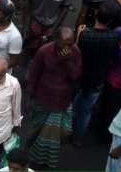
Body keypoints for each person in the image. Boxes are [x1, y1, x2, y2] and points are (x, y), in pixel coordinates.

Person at [25, 28, 82, 168]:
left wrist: (67, 61)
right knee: (35, 131)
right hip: (43, 99)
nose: (67, 47)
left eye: (70, 44)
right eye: (64, 44)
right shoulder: (44, 51)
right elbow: (33, 76)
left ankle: (46, 161)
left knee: (60, 133)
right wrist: (28, 98)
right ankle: (28, 158)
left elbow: (75, 76)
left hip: (62, 101)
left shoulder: (75, 52)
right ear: (57, 41)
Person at [72, 2, 119, 146]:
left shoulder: (85, 33)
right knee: (87, 109)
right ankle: (78, 137)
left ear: (96, 14)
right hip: (98, 77)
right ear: (110, 20)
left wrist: (79, 34)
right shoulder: (114, 36)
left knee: (72, 104)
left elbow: (76, 53)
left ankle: (65, 130)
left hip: (81, 75)